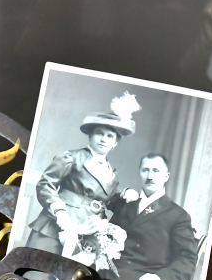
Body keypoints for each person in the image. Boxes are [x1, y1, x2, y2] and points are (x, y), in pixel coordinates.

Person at [98, 153, 201, 280]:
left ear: (166, 176)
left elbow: (187, 259)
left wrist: (159, 278)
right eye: (145, 170)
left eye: (156, 171)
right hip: (109, 268)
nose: (150, 176)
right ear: (139, 173)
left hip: (139, 277)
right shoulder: (127, 205)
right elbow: (108, 230)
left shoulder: (178, 215)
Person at [24, 93, 140, 256]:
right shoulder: (71, 157)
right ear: (90, 136)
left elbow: (109, 200)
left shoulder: (111, 174)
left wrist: (126, 195)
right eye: (99, 133)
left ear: (115, 143)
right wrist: (59, 212)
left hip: (89, 232)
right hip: (58, 225)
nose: (104, 139)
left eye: (110, 136)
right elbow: (45, 185)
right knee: (39, 267)